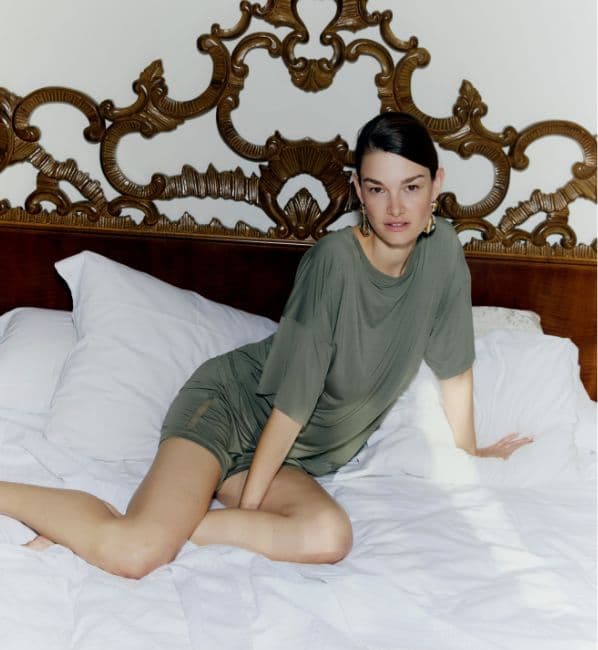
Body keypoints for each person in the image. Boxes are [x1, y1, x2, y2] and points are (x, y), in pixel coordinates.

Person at [0, 112, 532, 578]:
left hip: (292, 459)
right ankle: (115, 525)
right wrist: (251, 512)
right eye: (377, 188)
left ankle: (129, 525)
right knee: (136, 555)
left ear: (437, 183)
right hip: (230, 411)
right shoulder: (333, 263)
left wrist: (469, 451)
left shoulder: (443, 259)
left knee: (329, 537)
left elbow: (453, 366)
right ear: (356, 189)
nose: (395, 206)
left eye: (411, 186)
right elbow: (290, 405)